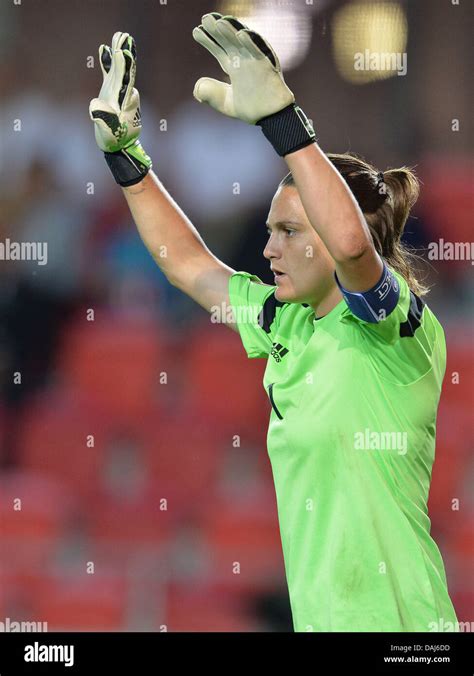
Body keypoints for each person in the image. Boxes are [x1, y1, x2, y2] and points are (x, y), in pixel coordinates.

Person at [89, 13, 459, 632]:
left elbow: (350, 249)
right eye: (268, 232)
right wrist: (128, 158)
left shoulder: (400, 331)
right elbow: (188, 265)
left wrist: (283, 121)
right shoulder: (283, 325)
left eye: (288, 231)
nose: (269, 250)